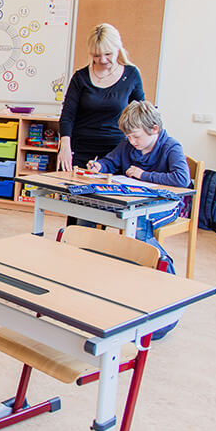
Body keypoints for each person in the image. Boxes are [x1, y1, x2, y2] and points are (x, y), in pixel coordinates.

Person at [87, 100, 189, 340]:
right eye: (129, 137)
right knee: (103, 215)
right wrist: (98, 165)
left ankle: (161, 266)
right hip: (136, 202)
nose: (132, 142)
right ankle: (119, 283)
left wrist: (144, 175)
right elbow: (111, 161)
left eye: (135, 137)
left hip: (166, 205)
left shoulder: (171, 147)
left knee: (139, 226)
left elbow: (182, 179)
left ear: (154, 129)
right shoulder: (127, 145)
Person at [57, 24, 145, 171]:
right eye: (96, 55)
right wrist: (64, 145)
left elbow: (140, 113)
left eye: (108, 54)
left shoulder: (131, 75)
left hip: (116, 151)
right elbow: (67, 116)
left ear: (118, 49)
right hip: (81, 148)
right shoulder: (81, 77)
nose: (102, 60)